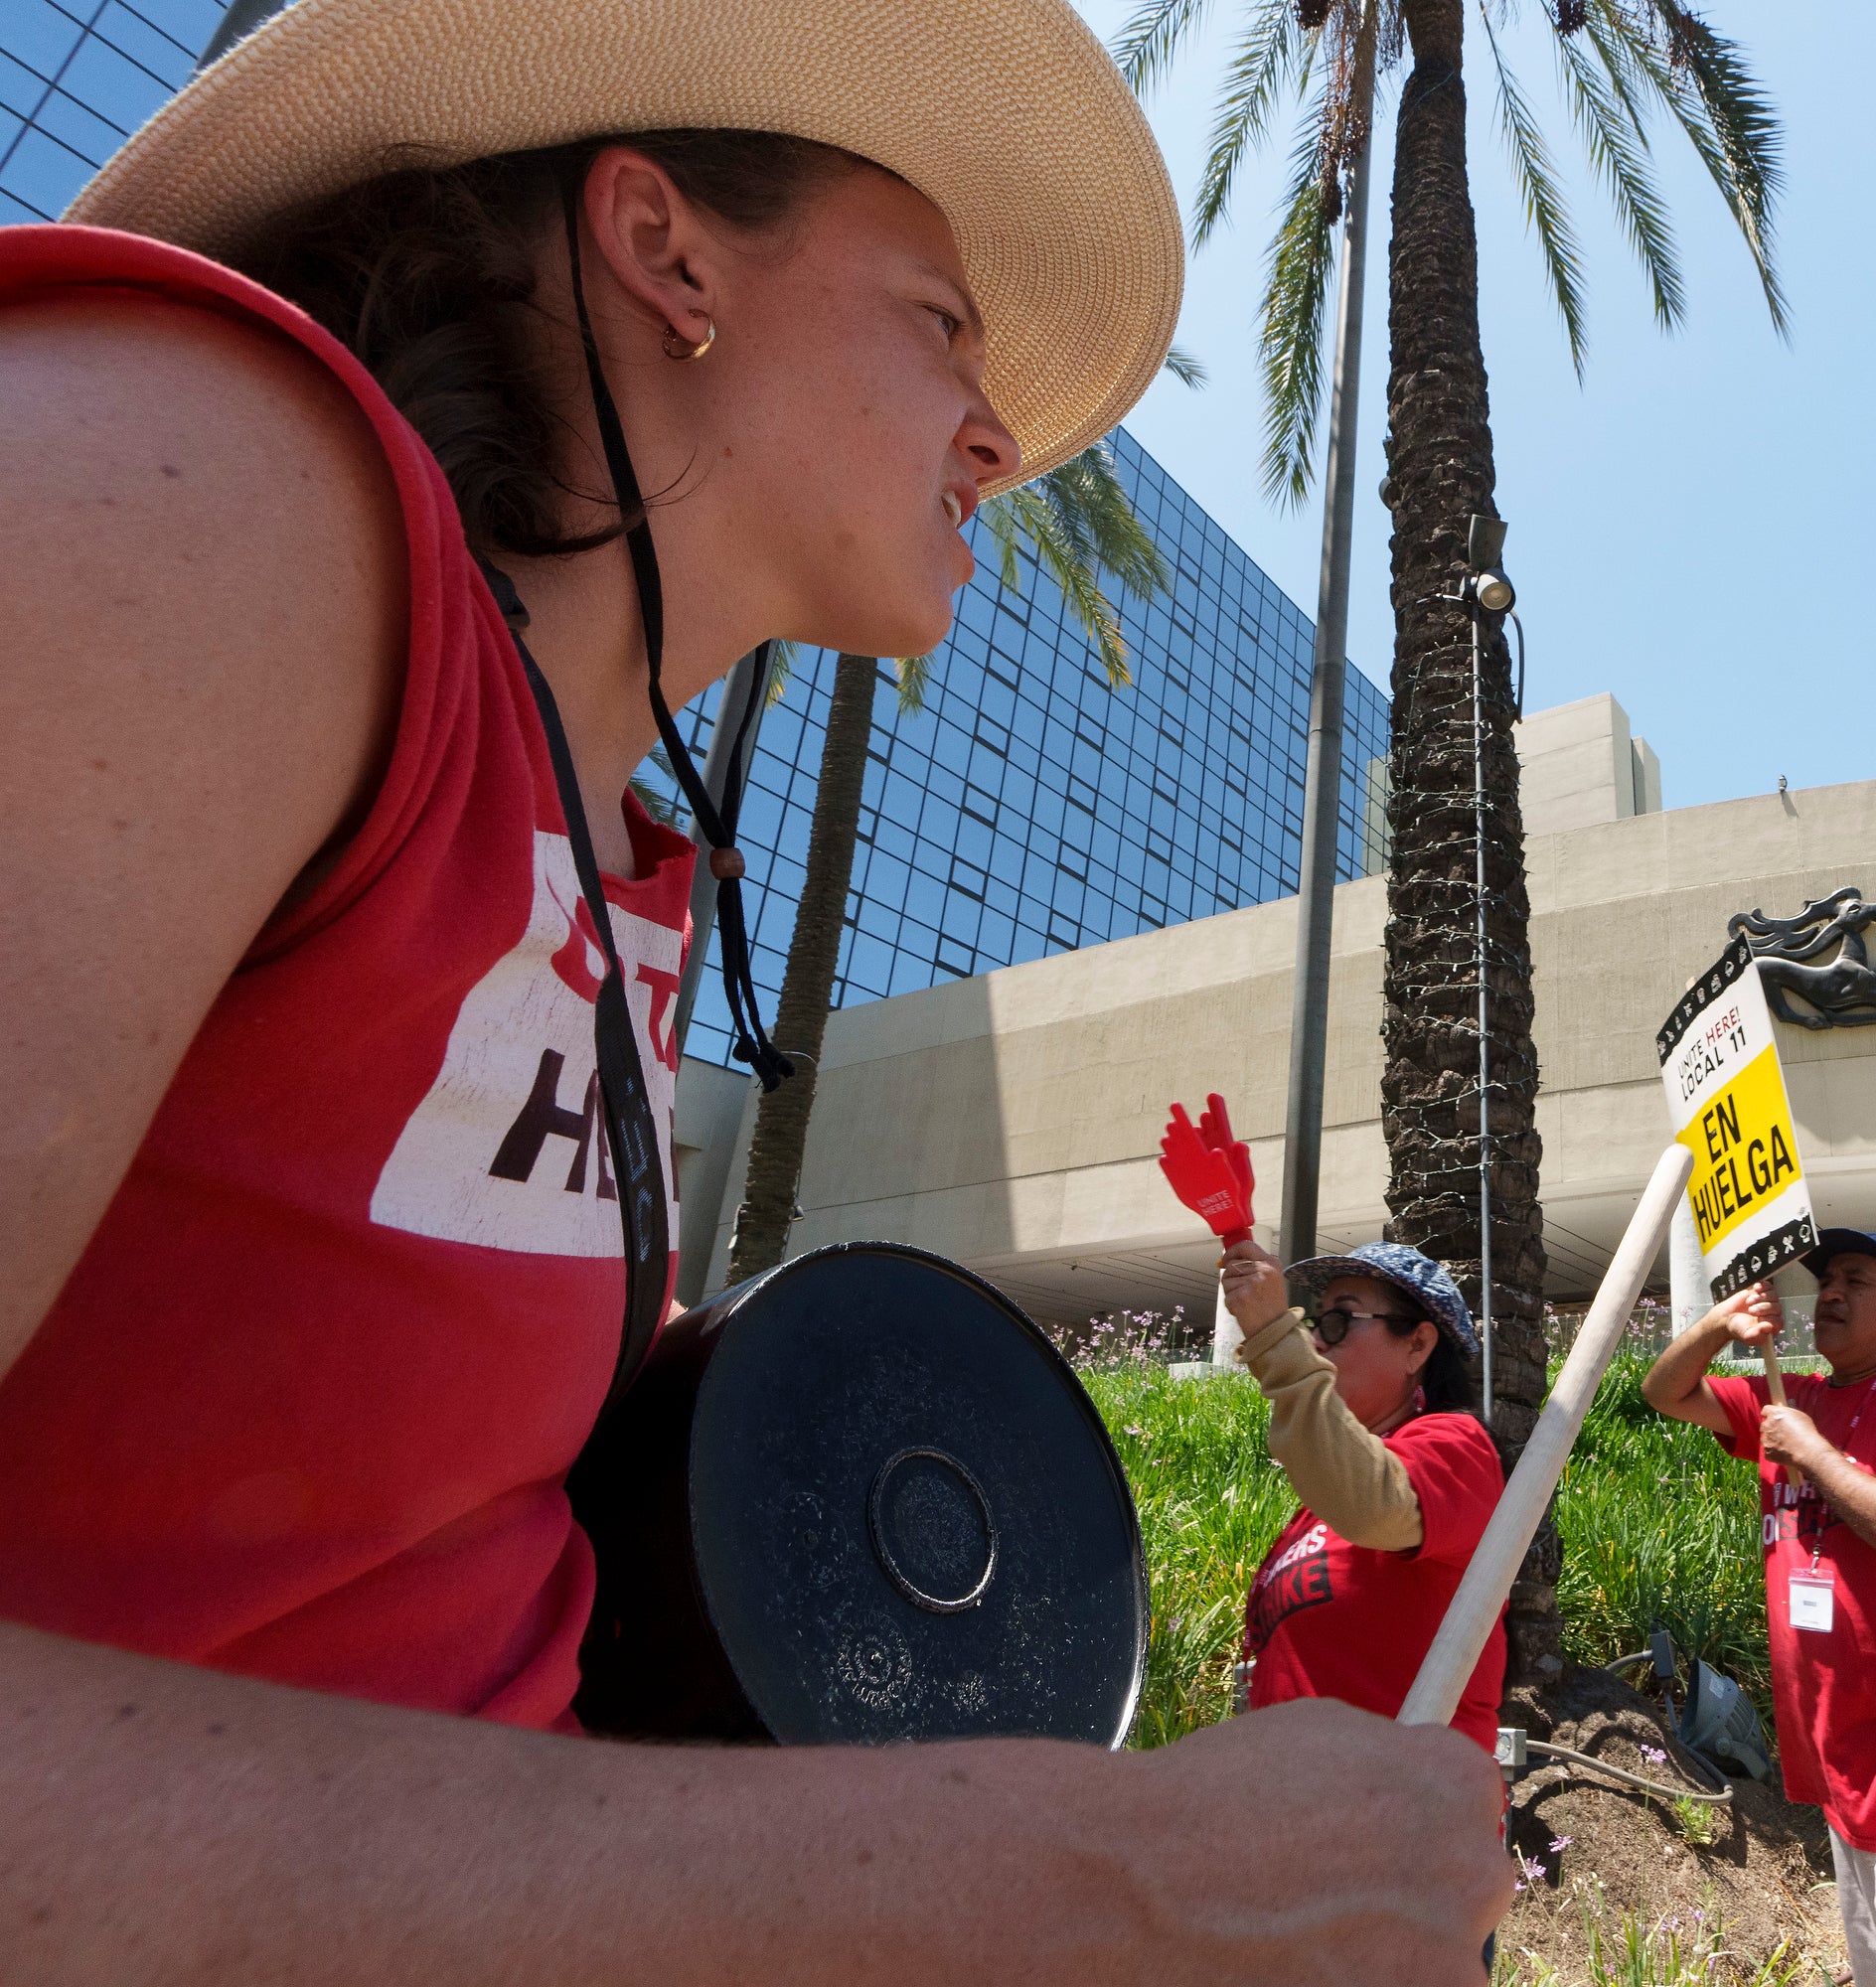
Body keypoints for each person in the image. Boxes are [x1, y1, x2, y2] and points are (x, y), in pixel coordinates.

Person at [0, 0, 1504, 1974]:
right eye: (941, 326)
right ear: (669, 252)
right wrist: (1075, 1882)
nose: (1002, 435)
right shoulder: (207, 483)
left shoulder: (615, 851)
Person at [1641, 1229, 1876, 1987]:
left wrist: (1815, 1455)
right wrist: (1721, 1324)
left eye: (1857, 1280)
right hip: (1844, 1757)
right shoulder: (1797, 1397)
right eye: (1826, 1281)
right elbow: (1665, 1392)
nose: (1831, 1294)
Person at [1217, 1239, 1508, 1752]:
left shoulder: (1458, 1448)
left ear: (1417, 1346)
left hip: (1405, 1816)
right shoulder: (1316, 1508)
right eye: (1316, 1322)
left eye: (1340, 1320)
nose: (1319, 1343)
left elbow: (1375, 1506)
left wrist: (1271, 1334)